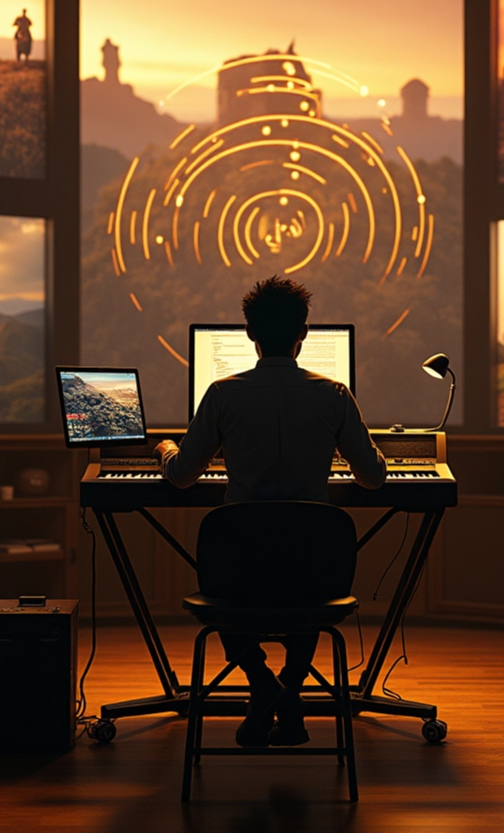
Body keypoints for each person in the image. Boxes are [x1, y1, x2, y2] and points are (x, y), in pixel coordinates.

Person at [154, 276, 385, 748]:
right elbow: (373, 478)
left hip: (239, 573)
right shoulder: (335, 395)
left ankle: (263, 685)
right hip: (314, 573)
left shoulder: (222, 393)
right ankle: (289, 692)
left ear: (249, 333)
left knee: (224, 587)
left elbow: (180, 476)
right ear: (304, 332)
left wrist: (164, 448)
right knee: (308, 577)